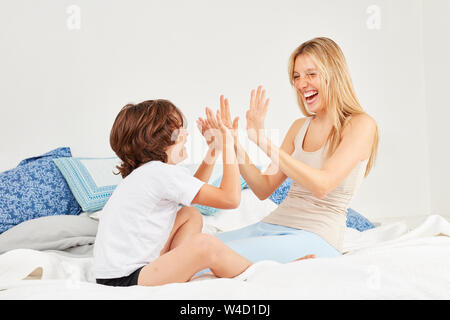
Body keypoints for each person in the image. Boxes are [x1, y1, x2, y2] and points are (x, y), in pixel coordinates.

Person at [214, 37, 379, 263]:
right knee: (196, 245)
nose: (301, 84)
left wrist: (262, 140)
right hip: (273, 225)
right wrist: (233, 143)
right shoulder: (298, 127)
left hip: (317, 237)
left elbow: (323, 184)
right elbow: (263, 188)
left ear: (334, 74)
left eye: (311, 74)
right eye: (297, 76)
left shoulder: (360, 124)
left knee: (207, 255)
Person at [91, 97, 253, 287]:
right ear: (156, 139)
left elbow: (192, 192)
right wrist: (228, 144)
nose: (185, 133)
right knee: (206, 245)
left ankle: (178, 269)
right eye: (178, 129)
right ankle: (259, 275)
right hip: (126, 279)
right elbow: (231, 198)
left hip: (115, 276)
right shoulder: (159, 173)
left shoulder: (149, 173)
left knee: (190, 214)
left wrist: (213, 149)